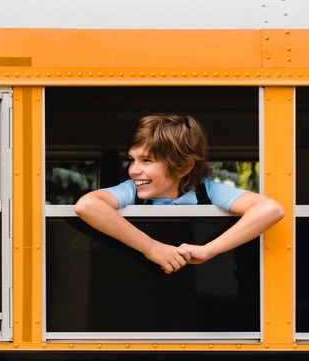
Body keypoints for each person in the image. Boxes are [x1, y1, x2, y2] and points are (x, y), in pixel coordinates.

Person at [73, 113, 284, 275]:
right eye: (132, 159)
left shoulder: (208, 190)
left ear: (183, 167)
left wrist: (208, 250)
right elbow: (87, 206)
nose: (133, 170)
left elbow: (270, 209)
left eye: (146, 160)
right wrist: (151, 247)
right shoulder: (131, 189)